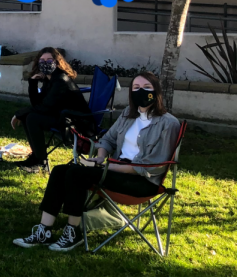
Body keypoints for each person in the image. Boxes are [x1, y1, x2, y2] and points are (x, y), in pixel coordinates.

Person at [13, 71, 180, 252]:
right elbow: (108, 139)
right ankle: (44, 230)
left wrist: (107, 166)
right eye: (136, 87)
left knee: (77, 173)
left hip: (142, 181)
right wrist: (100, 157)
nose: (141, 92)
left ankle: (72, 232)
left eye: (147, 88)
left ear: (157, 91)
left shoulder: (168, 123)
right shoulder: (128, 114)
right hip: (114, 170)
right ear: (131, 92)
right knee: (61, 170)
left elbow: (155, 166)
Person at [12, 47, 91, 171]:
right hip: (61, 116)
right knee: (30, 116)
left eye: (49, 60)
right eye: (42, 60)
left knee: (32, 118)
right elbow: (38, 104)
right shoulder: (50, 79)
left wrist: (18, 114)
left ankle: (40, 162)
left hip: (76, 122)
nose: (45, 63)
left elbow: (45, 108)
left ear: (57, 62)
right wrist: (33, 83)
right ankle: (36, 158)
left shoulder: (60, 80)